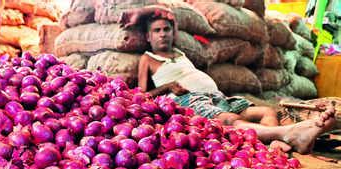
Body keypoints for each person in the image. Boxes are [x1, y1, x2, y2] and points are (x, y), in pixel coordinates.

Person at [136, 13, 335, 154]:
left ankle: (276, 143)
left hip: (217, 96)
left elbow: (171, 14)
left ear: (174, 32)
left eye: (166, 29)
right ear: (148, 36)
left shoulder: (181, 53)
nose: (163, 34)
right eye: (157, 30)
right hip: (188, 99)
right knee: (230, 120)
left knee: (267, 112)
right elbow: (141, 96)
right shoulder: (148, 58)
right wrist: (168, 86)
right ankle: (288, 134)